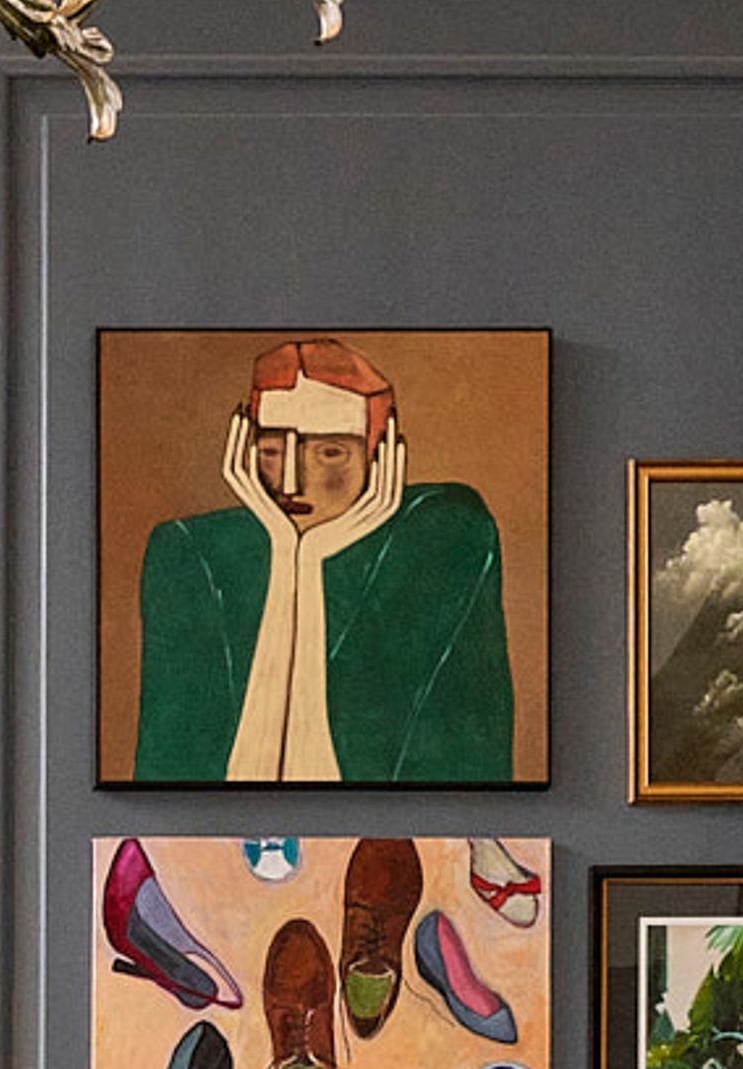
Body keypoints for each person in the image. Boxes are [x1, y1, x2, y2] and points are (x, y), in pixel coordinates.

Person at [129, 332, 513, 784]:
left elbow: (462, 782)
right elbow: (182, 788)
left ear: (379, 454)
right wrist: (289, 557)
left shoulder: (443, 543)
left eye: (330, 453)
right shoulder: (189, 554)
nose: (290, 482)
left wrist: (310, 564)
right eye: (271, 451)